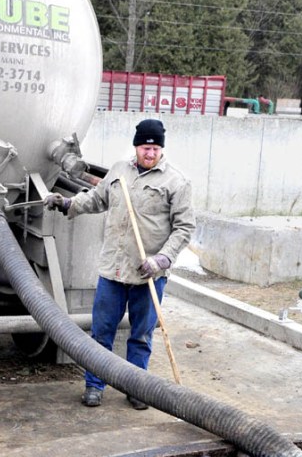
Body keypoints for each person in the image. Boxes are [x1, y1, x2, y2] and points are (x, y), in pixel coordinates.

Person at [45, 118, 195, 409]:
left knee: (140, 335)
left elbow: (185, 228)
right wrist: (67, 204)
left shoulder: (176, 182)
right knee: (101, 333)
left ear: (161, 149)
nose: (150, 153)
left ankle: (136, 387)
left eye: (155, 148)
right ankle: (94, 385)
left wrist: (162, 259)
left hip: (149, 274)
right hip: (113, 270)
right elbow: (97, 200)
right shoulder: (119, 171)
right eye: (145, 147)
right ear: (136, 146)